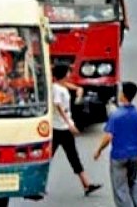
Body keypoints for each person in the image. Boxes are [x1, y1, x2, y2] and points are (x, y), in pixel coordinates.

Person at [51, 64, 102, 196]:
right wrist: (69, 124)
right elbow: (58, 106)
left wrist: (78, 89)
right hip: (59, 128)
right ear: (63, 74)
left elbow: (66, 85)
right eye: (68, 72)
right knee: (55, 157)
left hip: (63, 127)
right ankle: (86, 184)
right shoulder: (57, 89)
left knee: (72, 156)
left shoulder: (60, 85)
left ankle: (86, 184)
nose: (69, 74)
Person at [94, 81, 137, 207]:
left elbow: (108, 136)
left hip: (118, 156)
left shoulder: (116, 115)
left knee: (120, 188)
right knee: (134, 182)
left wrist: (99, 150)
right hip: (134, 155)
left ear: (123, 94)